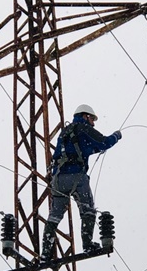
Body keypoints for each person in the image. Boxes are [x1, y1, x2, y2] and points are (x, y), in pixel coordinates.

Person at [41, 104, 122, 260]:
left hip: (58, 179)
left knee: (55, 215)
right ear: (86, 116)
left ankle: (45, 252)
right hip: (76, 177)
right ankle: (87, 244)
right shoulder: (83, 128)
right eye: (92, 119)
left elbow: (77, 149)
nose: (93, 123)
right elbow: (104, 142)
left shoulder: (65, 132)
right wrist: (116, 136)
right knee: (88, 209)